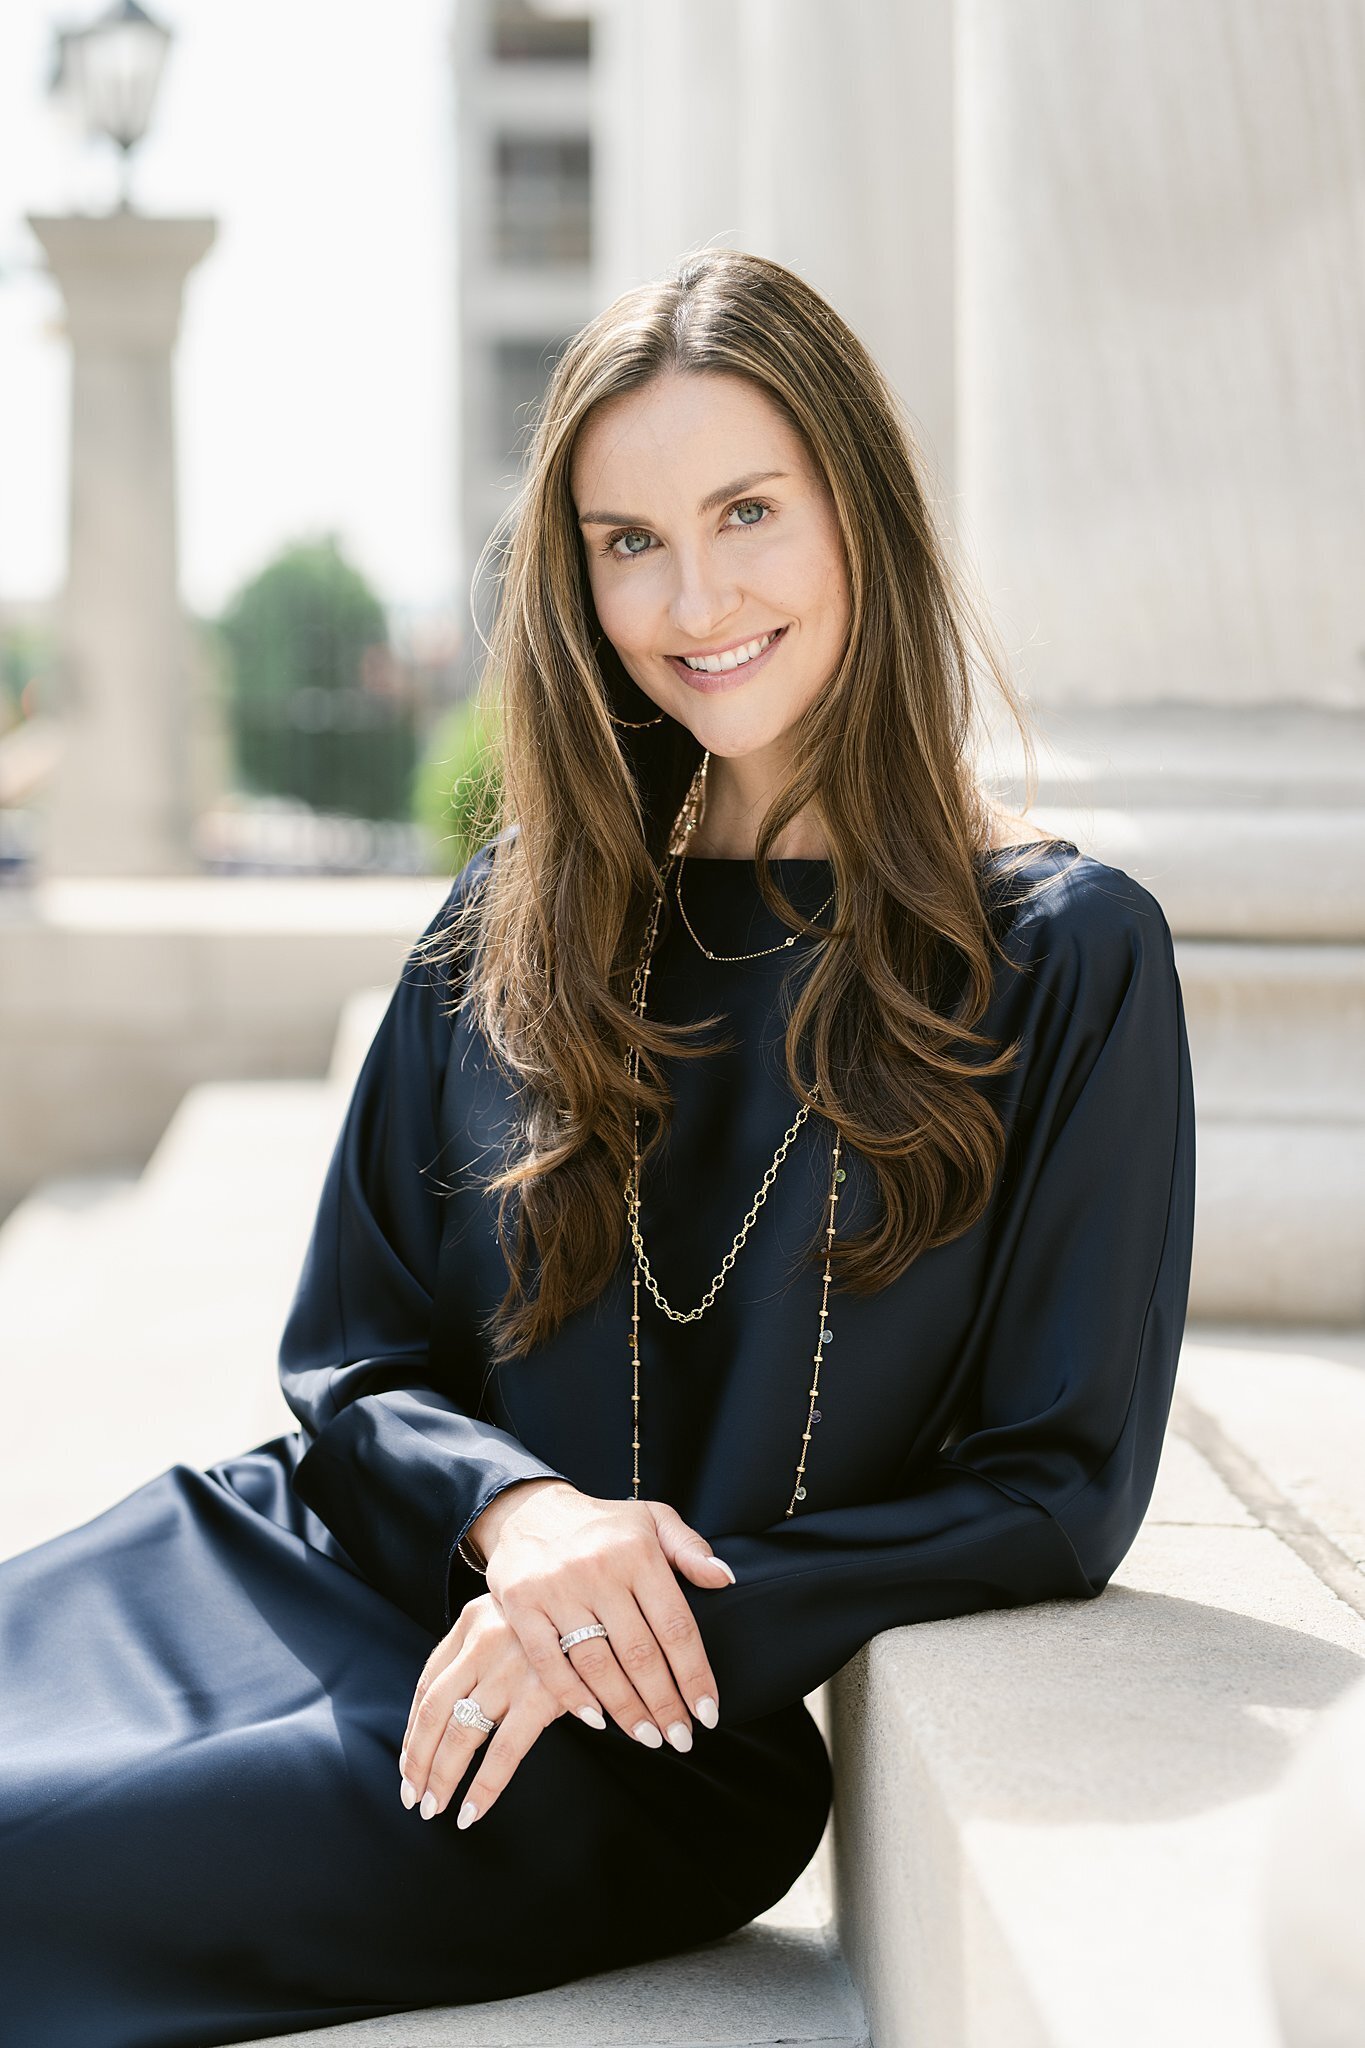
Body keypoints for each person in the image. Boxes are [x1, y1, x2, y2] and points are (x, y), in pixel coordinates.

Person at [0, 247, 1196, 2046]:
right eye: (627, 540)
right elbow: (353, 1349)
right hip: (298, 1557)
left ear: (859, 515)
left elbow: (1055, 1483)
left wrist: (617, 1614)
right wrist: (520, 1512)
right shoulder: (523, 909)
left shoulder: (1059, 952)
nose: (689, 596)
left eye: (744, 514)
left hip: (620, 1741)